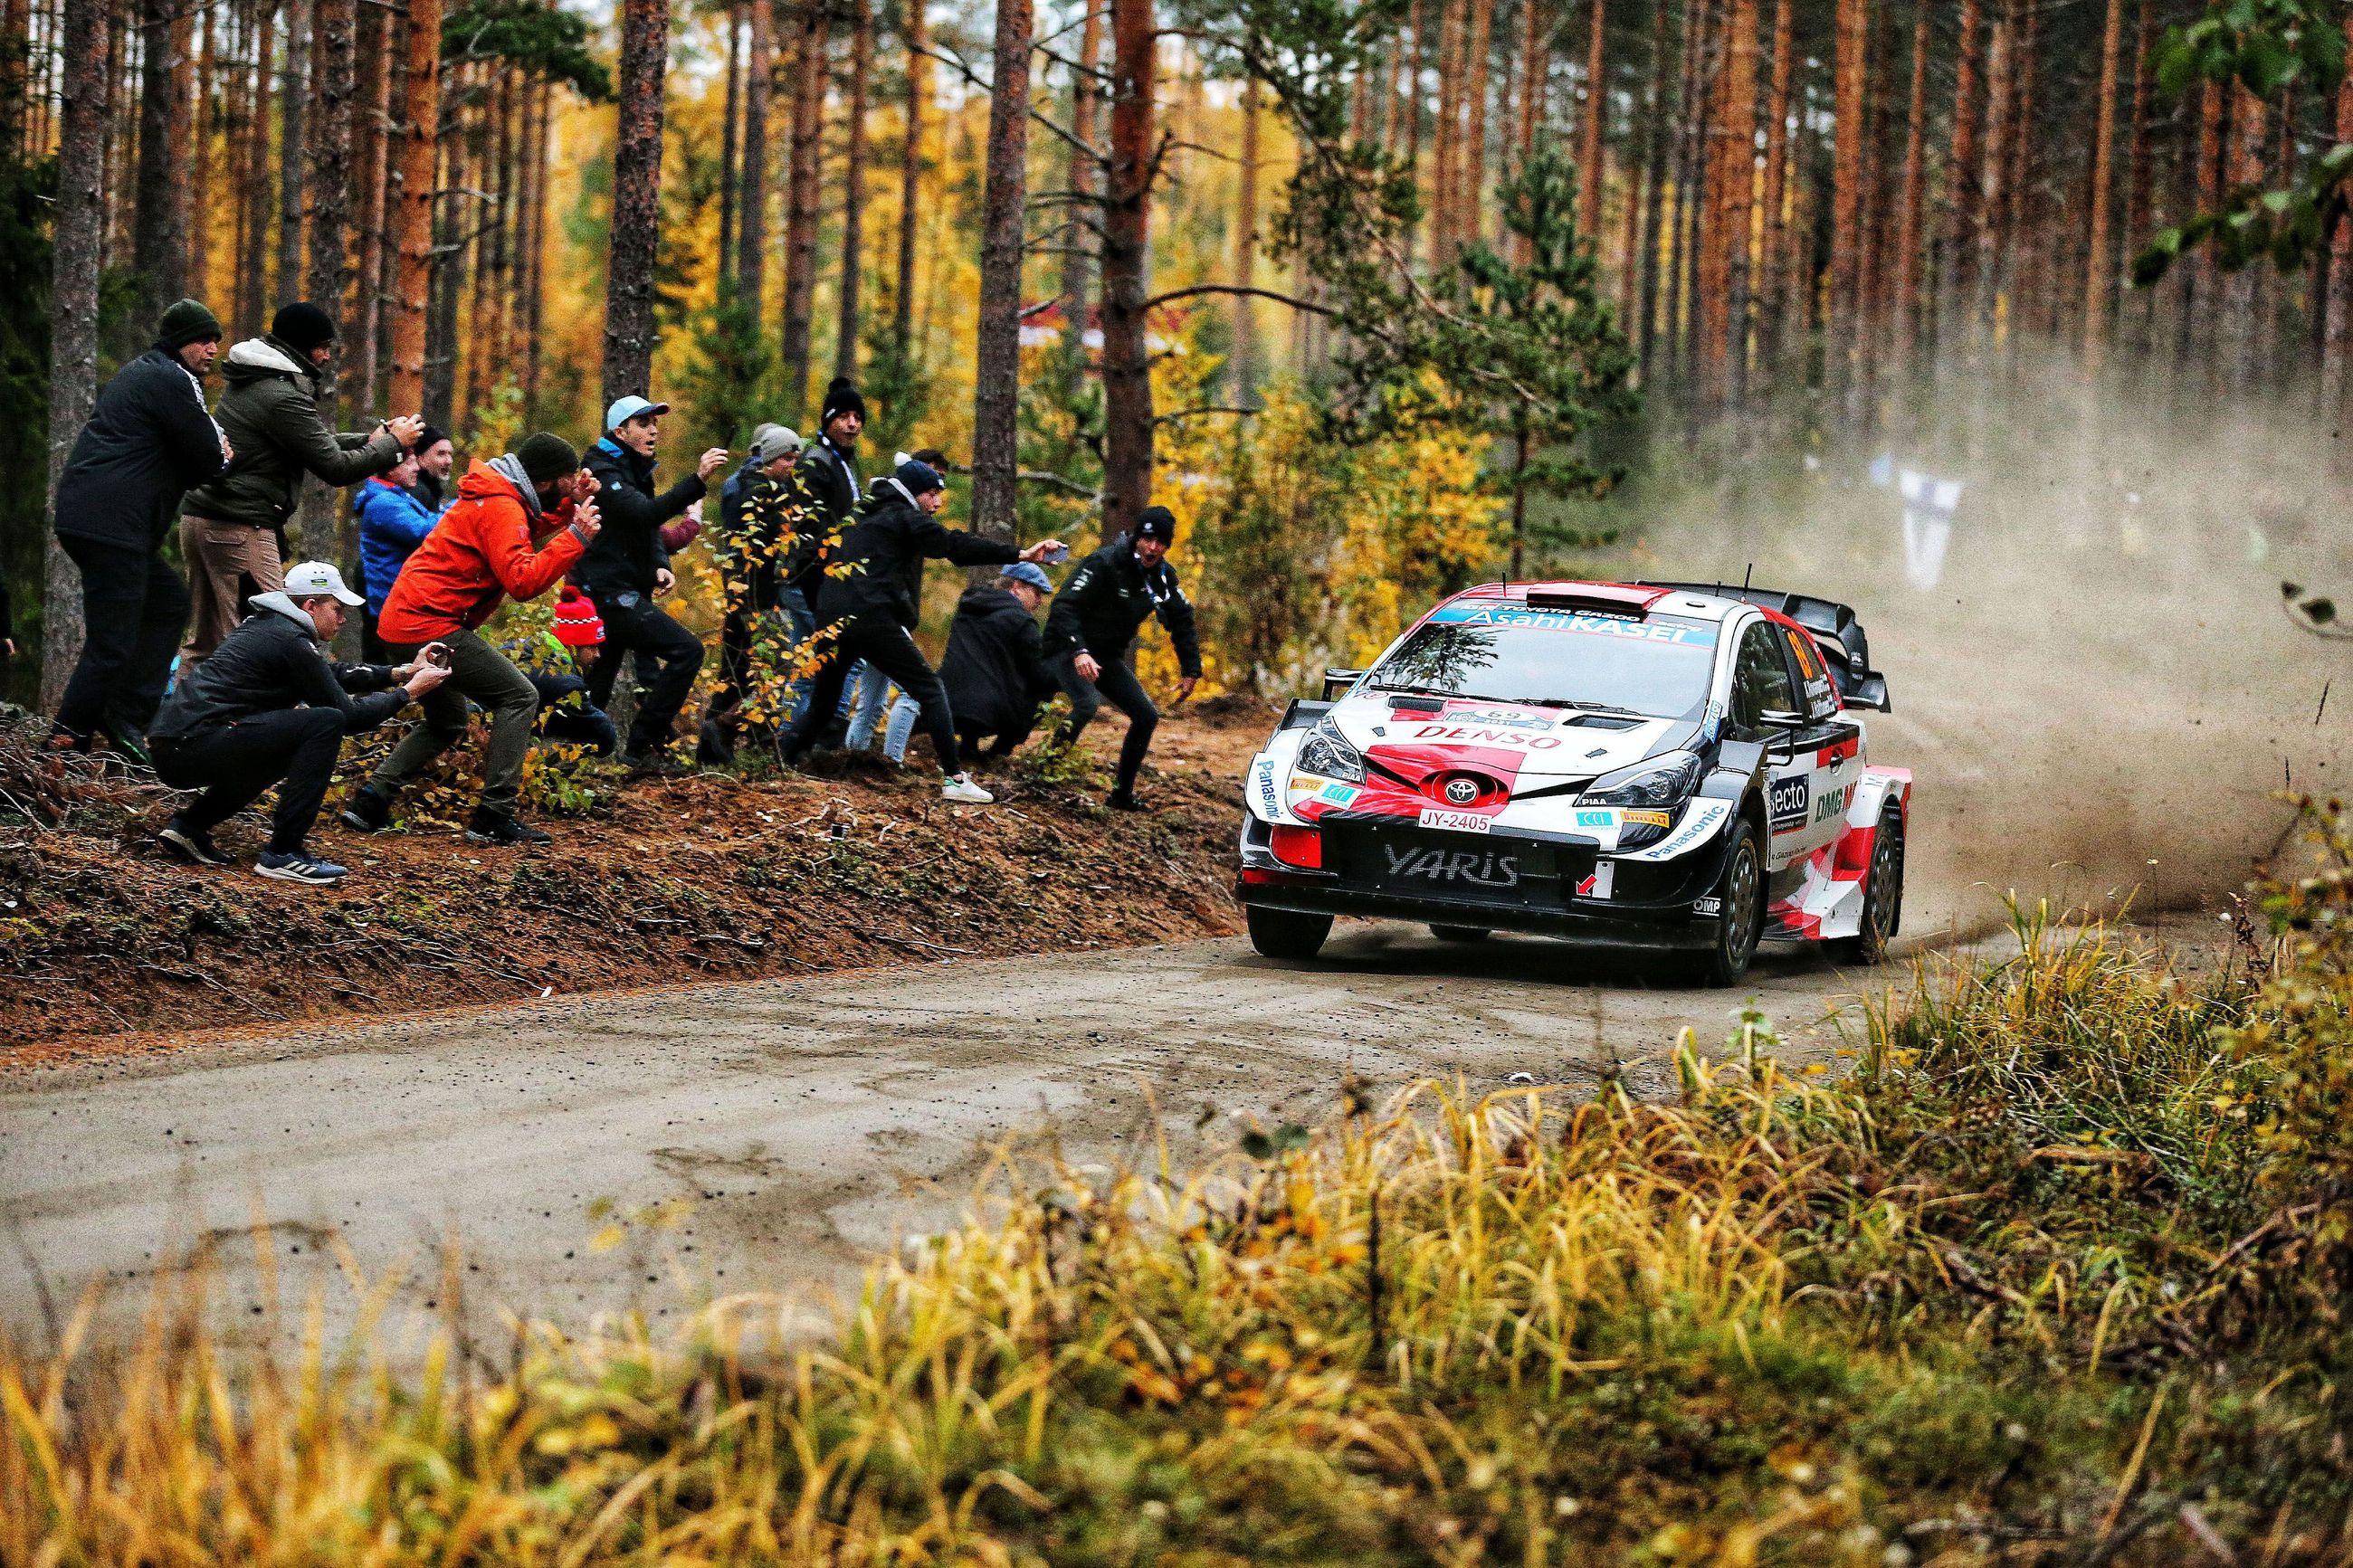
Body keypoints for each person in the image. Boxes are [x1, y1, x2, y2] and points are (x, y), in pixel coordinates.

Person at [338, 432, 601, 845]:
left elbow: (526, 529)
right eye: (569, 478)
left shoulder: (501, 498)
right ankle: (494, 815)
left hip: (405, 620)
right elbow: (523, 580)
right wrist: (577, 537)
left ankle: (371, 801)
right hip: (427, 624)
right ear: (547, 480)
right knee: (519, 696)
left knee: (448, 721)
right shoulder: (501, 505)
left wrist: (572, 505)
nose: (575, 483)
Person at [779, 452, 1062, 803]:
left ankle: (778, 760)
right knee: (928, 689)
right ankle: (955, 779)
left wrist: (825, 608)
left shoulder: (863, 515)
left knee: (823, 703)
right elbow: (954, 546)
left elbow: (816, 559)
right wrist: (1021, 554)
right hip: (872, 619)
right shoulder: (904, 516)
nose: (938, 502)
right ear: (914, 492)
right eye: (932, 493)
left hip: (834, 620)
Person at [148, 561, 452, 885]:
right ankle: (283, 852)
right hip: (193, 744)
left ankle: (190, 827)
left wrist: (401, 672)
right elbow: (348, 718)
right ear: (311, 605)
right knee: (325, 722)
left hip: (180, 744)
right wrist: (408, 694)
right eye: (337, 609)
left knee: (287, 740)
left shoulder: (274, 628)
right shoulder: (289, 639)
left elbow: (327, 674)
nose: (342, 619)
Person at [178, 301, 422, 663]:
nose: (326, 357)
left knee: (206, 646)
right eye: (323, 346)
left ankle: (184, 718)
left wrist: (370, 441)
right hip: (240, 528)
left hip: (205, 520)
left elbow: (311, 443)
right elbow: (335, 468)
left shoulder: (254, 380)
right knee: (269, 639)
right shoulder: (280, 395)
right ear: (302, 346)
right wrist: (393, 445)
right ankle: (260, 719)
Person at [47, 299, 232, 761]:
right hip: (111, 525)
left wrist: (211, 456)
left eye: (216, 341)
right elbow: (209, 456)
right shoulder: (172, 378)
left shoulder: (150, 375)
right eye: (202, 340)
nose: (212, 349)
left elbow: (181, 461)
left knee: (167, 604)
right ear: (178, 342)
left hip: (100, 520)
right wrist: (221, 453)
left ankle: (126, 712)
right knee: (112, 642)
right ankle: (67, 737)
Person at [575, 394, 728, 774]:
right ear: (621, 431)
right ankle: (638, 748)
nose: (654, 430)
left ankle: (579, 761)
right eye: (644, 423)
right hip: (608, 595)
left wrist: (660, 564)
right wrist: (698, 480)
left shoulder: (633, 467)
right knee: (688, 650)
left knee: (599, 685)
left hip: (621, 592)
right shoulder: (602, 470)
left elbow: (646, 528)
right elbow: (643, 512)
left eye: (655, 423)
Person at [1043, 503, 1201, 811]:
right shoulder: (1105, 562)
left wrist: (1191, 669)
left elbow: (1182, 619)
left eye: (1161, 543)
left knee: (1146, 715)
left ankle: (1121, 794)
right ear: (1137, 538)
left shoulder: (1163, 577)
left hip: (1106, 656)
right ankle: (1045, 770)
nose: (1152, 548)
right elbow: (1064, 606)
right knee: (1087, 704)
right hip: (1066, 647)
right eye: (1148, 539)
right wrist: (1079, 650)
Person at [700, 423, 804, 764]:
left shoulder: (754, 485)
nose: (793, 464)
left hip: (745, 591)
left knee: (736, 672)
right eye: (787, 458)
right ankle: (731, 728)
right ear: (771, 458)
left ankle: (717, 747)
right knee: (777, 668)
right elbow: (765, 540)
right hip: (757, 595)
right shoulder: (757, 492)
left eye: (795, 457)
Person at [941, 560, 1056, 762]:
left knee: (978, 673)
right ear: (1017, 587)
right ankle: (999, 752)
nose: (1040, 601)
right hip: (987, 715)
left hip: (945, 706)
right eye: (1037, 593)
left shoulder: (969, 605)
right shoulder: (1021, 620)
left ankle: (968, 746)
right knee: (1045, 689)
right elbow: (1038, 674)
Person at [354, 450, 439, 659]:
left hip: (399, 597)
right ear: (391, 470)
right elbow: (426, 531)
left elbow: (430, 519)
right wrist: (462, 504)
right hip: (391, 600)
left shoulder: (396, 497)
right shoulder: (383, 503)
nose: (417, 468)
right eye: (409, 463)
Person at [532, 588, 620, 756]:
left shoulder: (527, 647)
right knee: (582, 742)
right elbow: (605, 736)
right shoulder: (564, 684)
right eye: (591, 646)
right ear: (571, 647)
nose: (598, 654)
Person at [410, 424, 456, 511]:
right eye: (441, 454)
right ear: (421, 459)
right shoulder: (417, 492)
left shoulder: (431, 490)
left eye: (450, 454)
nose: (449, 461)